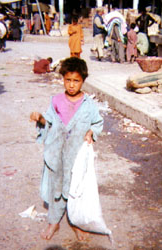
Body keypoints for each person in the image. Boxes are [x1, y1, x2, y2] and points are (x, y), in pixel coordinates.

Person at [30, 57, 103, 241]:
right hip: (58, 153)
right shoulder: (55, 101)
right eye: (68, 80)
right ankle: (54, 221)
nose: (71, 85)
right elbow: (49, 121)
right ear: (63, 79)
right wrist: (40, 118)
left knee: (75, 188)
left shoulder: (89, 105)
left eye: (76, 81)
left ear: (83, 81)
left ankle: (75, 221)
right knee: (57, 186)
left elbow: (97, 123)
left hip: (76, 155)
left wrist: (91, 132)